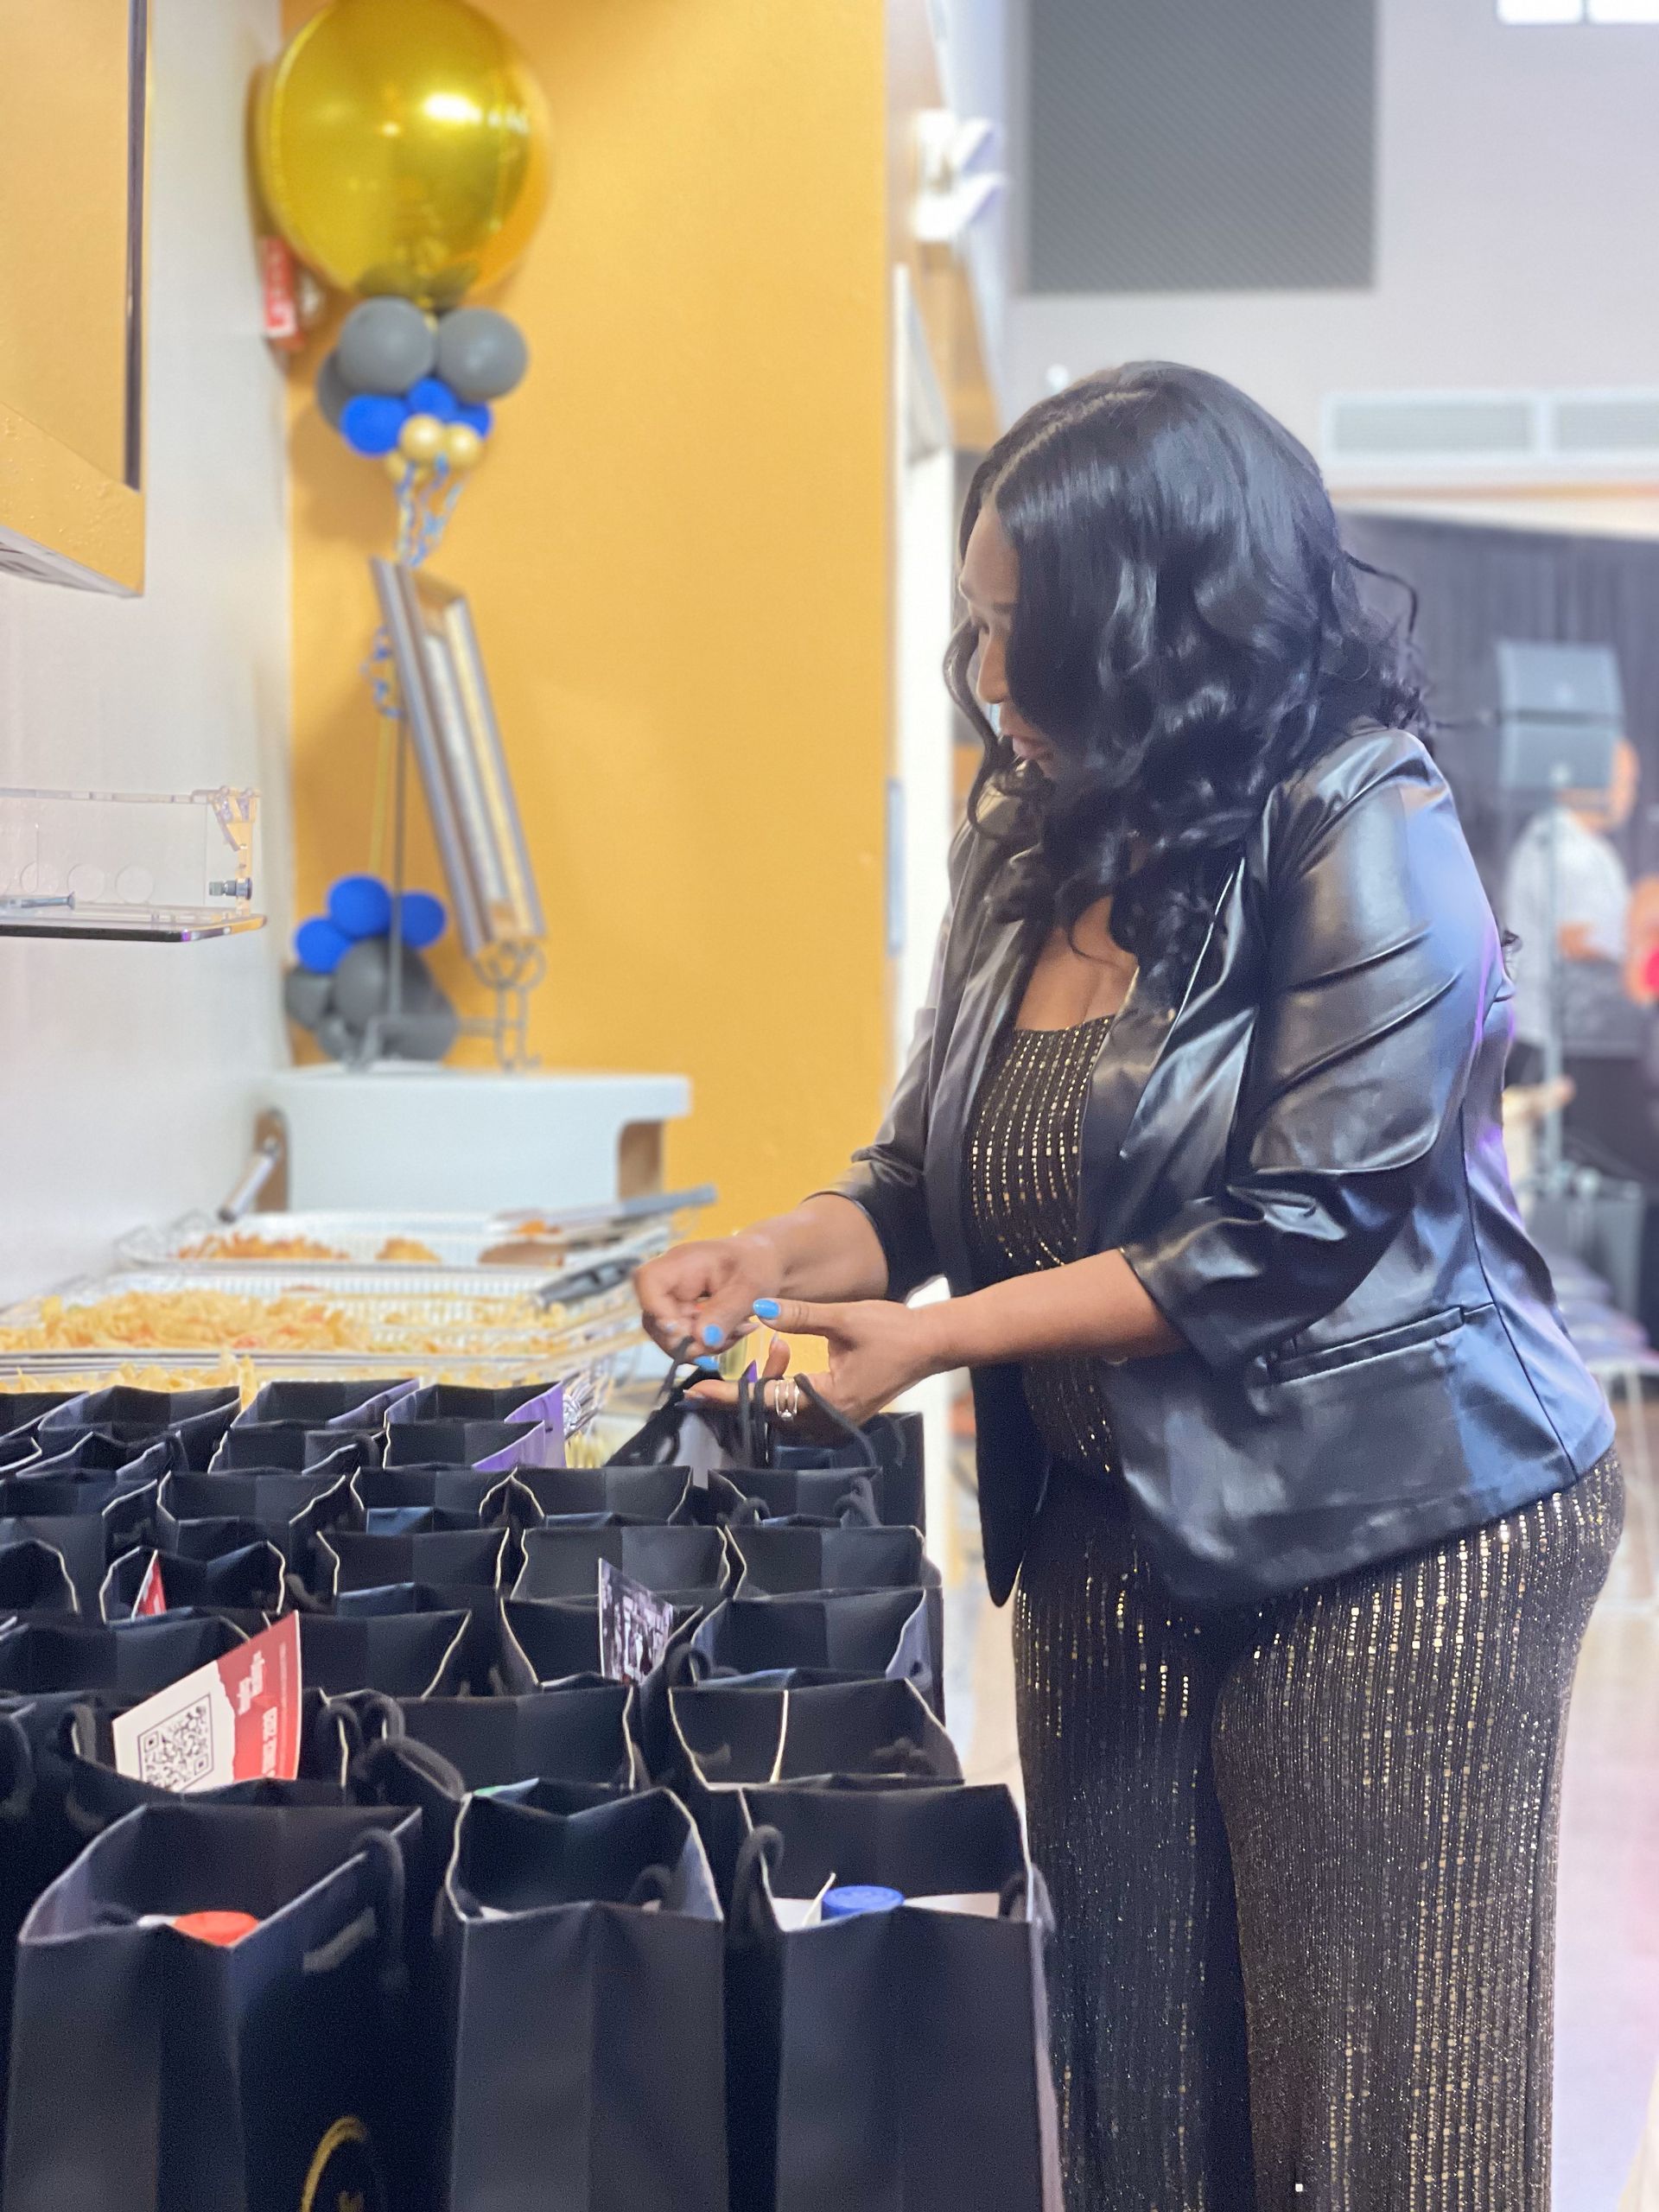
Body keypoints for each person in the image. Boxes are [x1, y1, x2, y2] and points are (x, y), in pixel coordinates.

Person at [634, 363, 1620, 2212]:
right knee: (1137, 2103)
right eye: (978, 622)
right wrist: (775, 1255)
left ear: (1163, 619)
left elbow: (1294, 1226)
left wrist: (936, 1341)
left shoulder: (1362, 819)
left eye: (1027, 625)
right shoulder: (1031, 837)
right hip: (1112, 1523)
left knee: (1378, 2133)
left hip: (1393, 1531)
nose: (989, 671)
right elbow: (930, 1173)